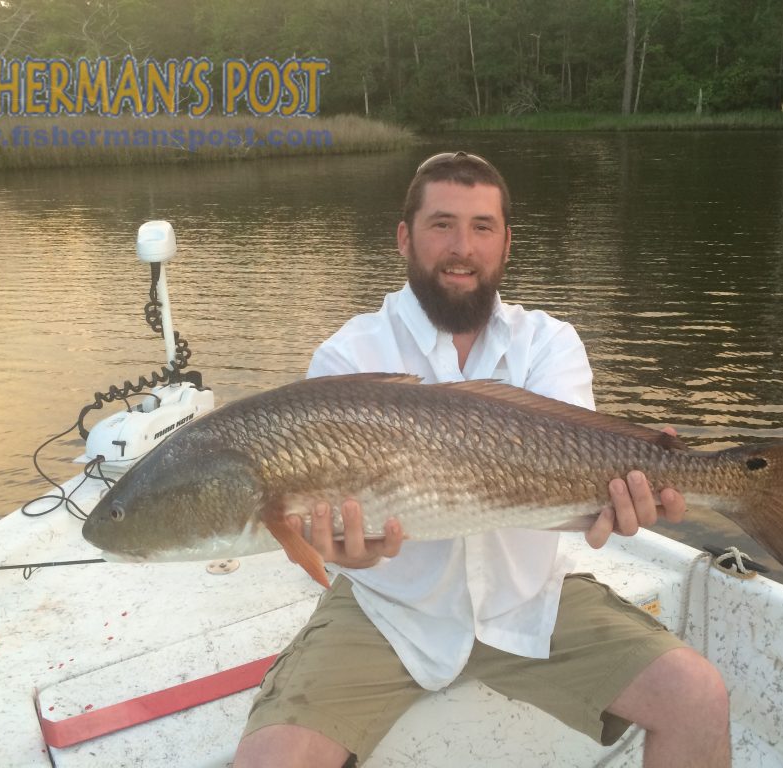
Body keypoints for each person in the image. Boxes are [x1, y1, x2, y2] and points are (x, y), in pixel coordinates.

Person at [234, 152, 730, 768]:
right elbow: (319, 520)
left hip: (529, 603)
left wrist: (620, 500)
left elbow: (577, 464)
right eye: (441, 224)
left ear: (506, 243)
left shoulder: (549, 343)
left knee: (698, 696)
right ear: (404, 238)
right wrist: (331, 547)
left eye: (482, 227)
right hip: (388, 612)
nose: (461, 247)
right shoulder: (347, 357)